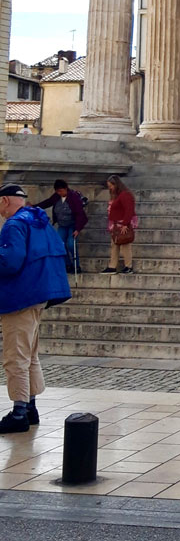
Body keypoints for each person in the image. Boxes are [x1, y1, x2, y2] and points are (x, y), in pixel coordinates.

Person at [0, 183, 70, 432]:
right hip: (41, 294)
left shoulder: (14, 225)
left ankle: (19, 413)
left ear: (5, 201)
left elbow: (10, 262)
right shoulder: (37, 220)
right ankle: (30, 407)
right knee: (29, 354)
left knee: (15, 356)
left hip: (20, 297)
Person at [40, 179, 88, 274]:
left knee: (70, 244)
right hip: (62, 225)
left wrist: (78, 229)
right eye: (57, 191)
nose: (59, 193)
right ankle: (67, 264)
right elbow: (47, 202)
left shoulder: (73, 197)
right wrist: (34, 206)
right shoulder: (56, 197)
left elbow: (79, 214)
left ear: (66, 189)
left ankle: (76, 265)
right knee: (60, 244)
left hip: (72, 224)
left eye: (61, 191)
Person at [103, 174, 136, 275]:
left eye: (111, 186)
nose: (110, 188)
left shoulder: (125, 195)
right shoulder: (117, 195)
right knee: (115, 244)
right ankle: (112, 266)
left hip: (122, 223)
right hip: (116, 223)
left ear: (116, 185)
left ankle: (128, 266)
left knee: (125, 244)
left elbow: (129, 209)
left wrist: (125, 224)